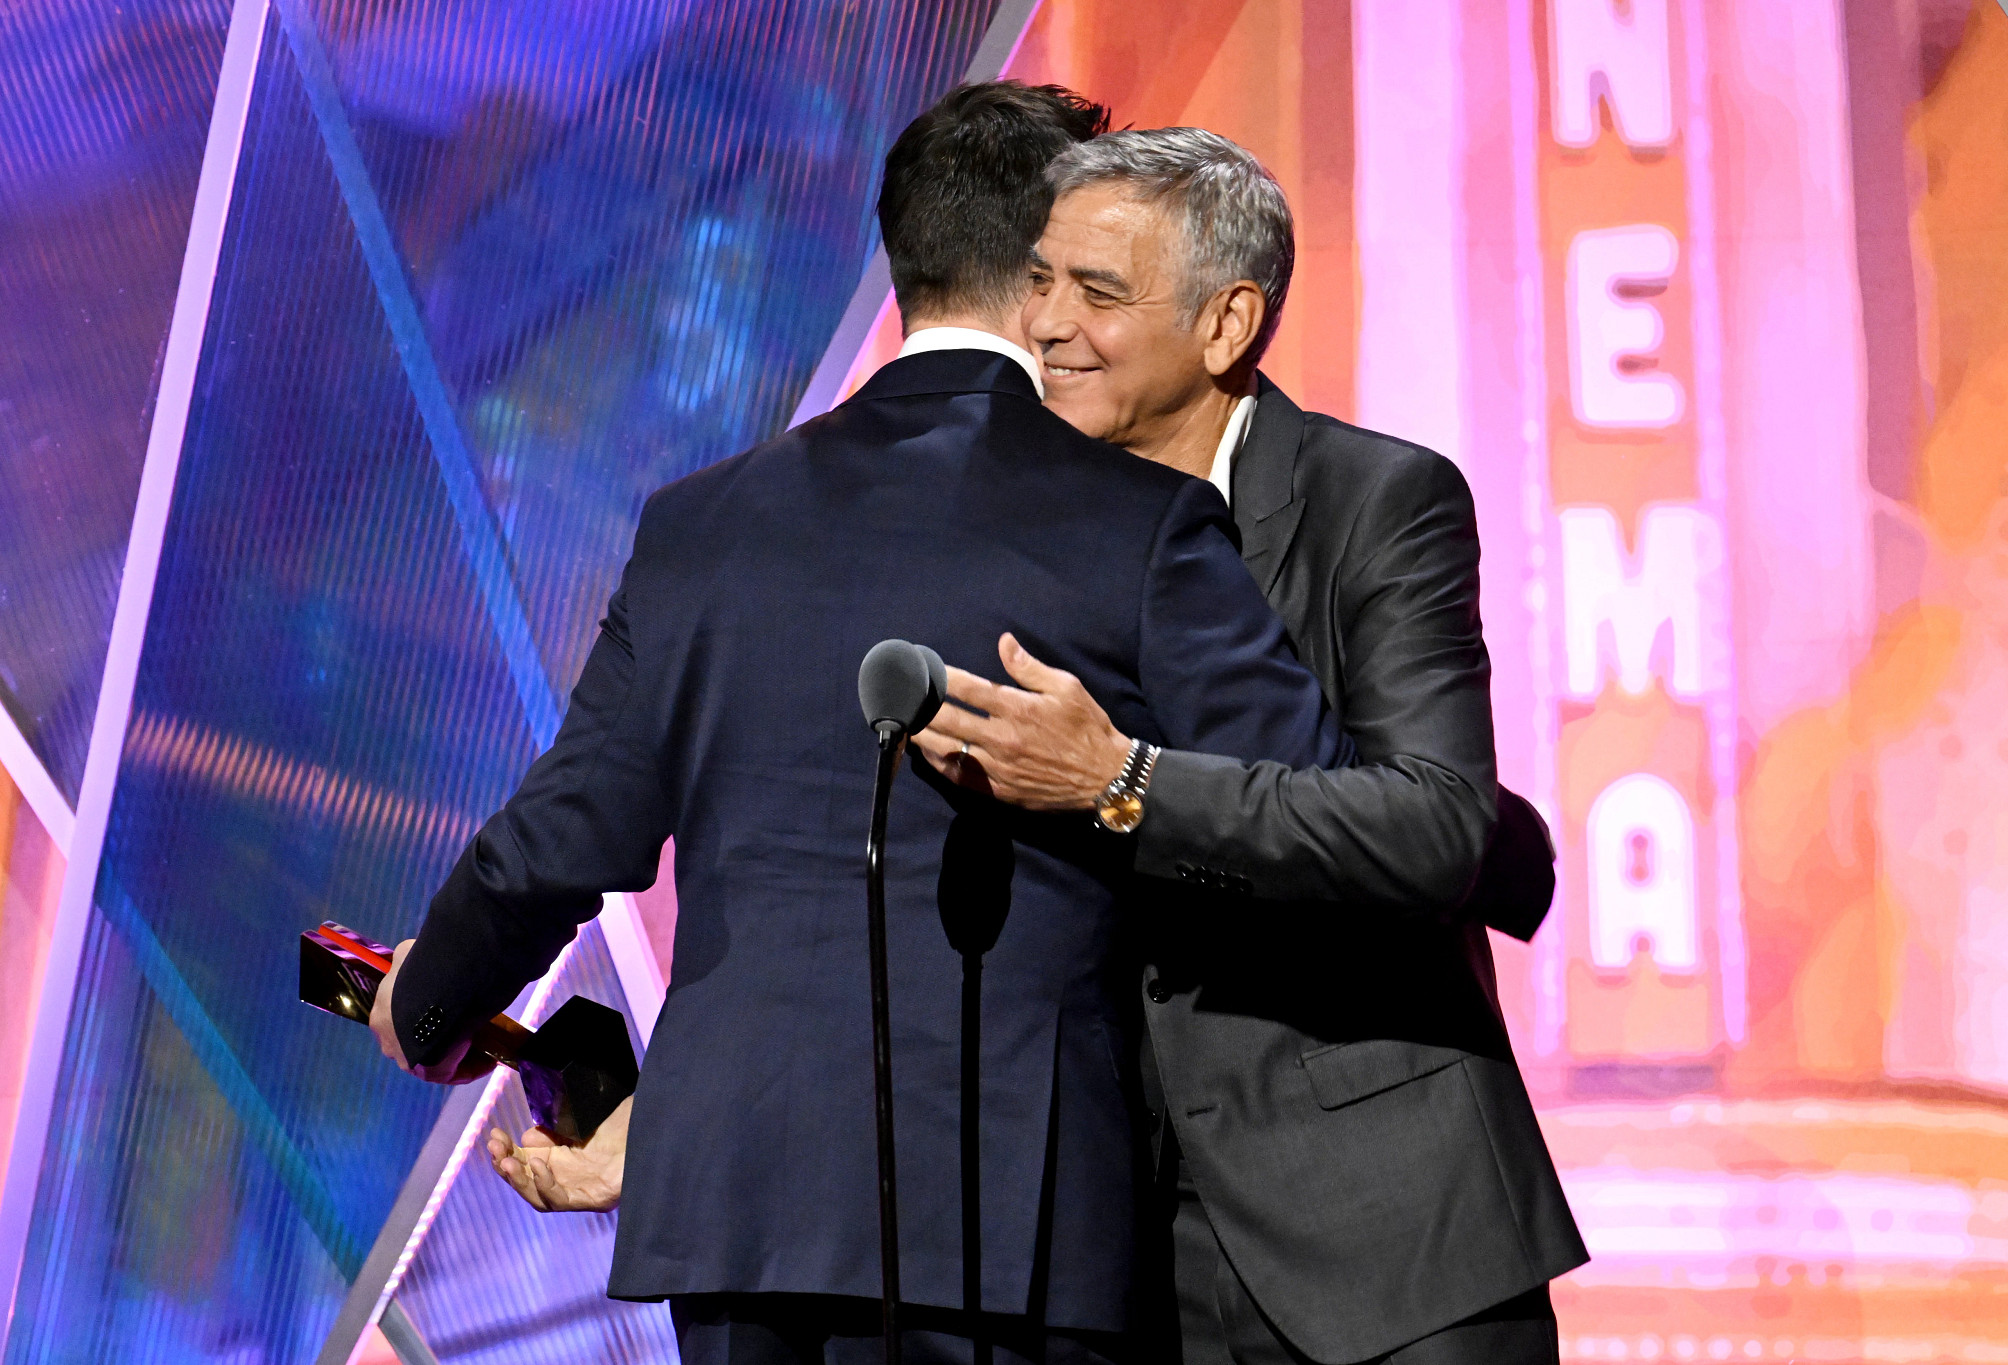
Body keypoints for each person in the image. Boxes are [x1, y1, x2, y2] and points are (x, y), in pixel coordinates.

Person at [366, 83, 1356, 1365]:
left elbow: (562, 833)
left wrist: (431, 1008)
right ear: (1048, 268)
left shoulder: (704, 524)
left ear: (903, 253)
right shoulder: (1136, 525)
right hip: (1018, 1227)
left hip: (746, 1216)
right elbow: (1313, 826)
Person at [914, 130, 1587, 1365]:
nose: (1048, 326)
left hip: (1388, 1238)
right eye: (1040, 283)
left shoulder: (1373, 500)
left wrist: (1122, 786)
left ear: (1226, 325)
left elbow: (1434, 824)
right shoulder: (998, 525)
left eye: (1098, 294)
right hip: (1116, 1257)